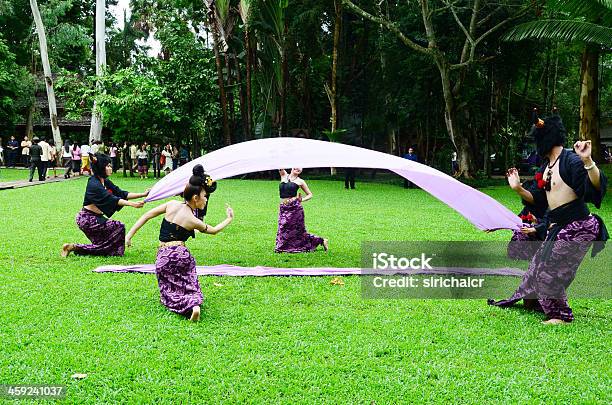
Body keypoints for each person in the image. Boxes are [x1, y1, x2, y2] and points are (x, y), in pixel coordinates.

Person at [489, 111, 608, 324]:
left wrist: (588, 160)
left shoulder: (571, 160)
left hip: (579, 226)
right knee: (536, 269)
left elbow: (594, 189)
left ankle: (560, 315)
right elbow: (539, 200)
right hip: (557, 226)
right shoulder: (546, 167)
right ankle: (535, 302)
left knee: (549, 271)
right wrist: (517, 188)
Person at [125, 165, 234, 322]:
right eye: (205, 196)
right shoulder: (193, 220)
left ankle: (187, 305)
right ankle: (194, 304)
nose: (206, 199)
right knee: (189, 285)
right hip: (182, 256)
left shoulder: (172, 205)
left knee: (169, 291)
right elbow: (215, 230)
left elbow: (147, 215)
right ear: (195, 198)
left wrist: (129, 235)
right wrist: (229, 219)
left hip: (163, 256)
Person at [61, 153, 149, 257]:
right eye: (107, 166)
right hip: (87, 219)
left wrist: (143, 194)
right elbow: (111, 198)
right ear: (101, 168)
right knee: (119, 226)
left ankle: (72, 247)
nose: (110, 168)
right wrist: (131, 204)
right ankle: (77, 247)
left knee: (102, 246)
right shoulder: (93, 184)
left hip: (97, 218)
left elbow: (121, 193)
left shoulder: (105, 181)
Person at [275, 168, 328, 253]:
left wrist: (301, 200)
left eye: (300, 168)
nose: (298, 168)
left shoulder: (300, 181)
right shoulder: (283, 174)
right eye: (296, 166)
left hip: (295, 208)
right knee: (283, 227)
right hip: (283, 207)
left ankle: (321, 241)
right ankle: (283, 246)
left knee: (297, 231)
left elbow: (310, 194)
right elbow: (280, 165)